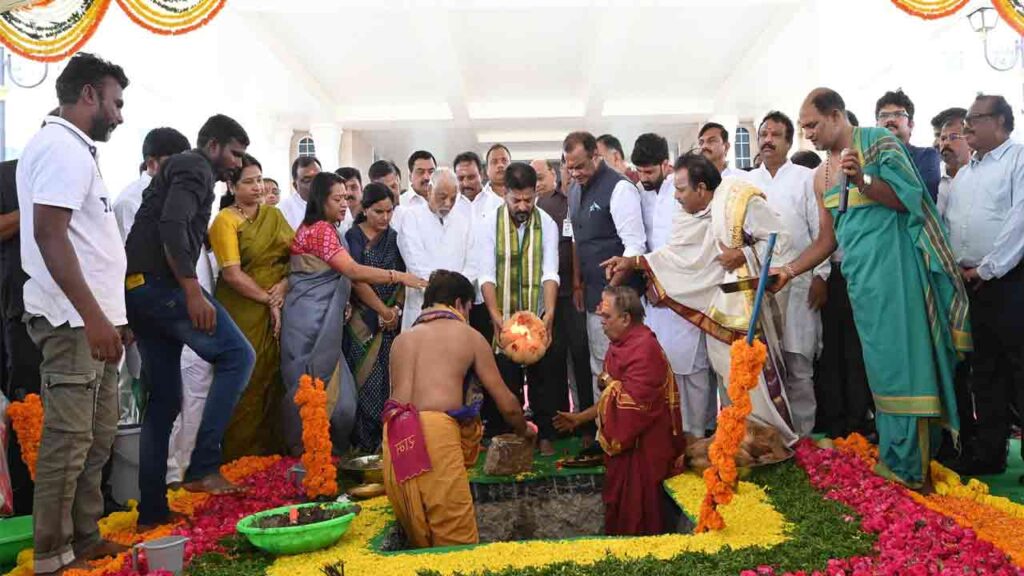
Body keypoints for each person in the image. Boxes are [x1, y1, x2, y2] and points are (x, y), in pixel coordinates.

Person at [782, 88, 969, 489]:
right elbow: (827, 240)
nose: (809, 134)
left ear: (835, 115)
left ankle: (913, 467)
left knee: (906, 364)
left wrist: (864, 179)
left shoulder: (879, 142)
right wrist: (789, 270)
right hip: (862, 282)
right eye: (804, 128)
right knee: (882, 371)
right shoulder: (820, 176)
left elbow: (912, 201)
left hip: (897, 273)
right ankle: (894, 456)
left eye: (813, 125)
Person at [17, 52, 130, 573]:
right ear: (89, 95)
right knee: (67, 442)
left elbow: (86, 240)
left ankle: (84, 538)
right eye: (115, 102)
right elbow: (49, 233)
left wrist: (111, 317)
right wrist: (94, 316)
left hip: (94, 322)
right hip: (71, 323)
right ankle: (50, 556)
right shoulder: (61, 147)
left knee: (98, 435)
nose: (120, 115)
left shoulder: (77, 150)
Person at [603, 152, 799, 447]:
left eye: (681, 189)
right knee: (728, 382)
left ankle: (774, 445)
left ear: (703, 188)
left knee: (754, 383)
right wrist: (634, 263)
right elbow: (679, 256)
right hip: (718, 311)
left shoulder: (739, 200)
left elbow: (782, 241)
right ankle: (741, 446)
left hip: (749, 310)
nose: (677, 197)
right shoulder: (686, 214)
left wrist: (744, 254)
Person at [125, 114, 255, 528]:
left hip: (139, 291)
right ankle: (203, 466)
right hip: (164, 290)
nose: (237, 164)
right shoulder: (194, 164)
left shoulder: (188, 171)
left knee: (164, 401)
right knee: (237, 355)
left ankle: (152, 512)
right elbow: (172, 224)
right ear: (213, 144)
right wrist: (192, 290)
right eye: (234, 154)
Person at [382, 270, 532, 548]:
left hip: (394, 438)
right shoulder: (468, 335)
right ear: (460, 304)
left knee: (420, 545)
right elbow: (508, 405)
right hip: (434, 436)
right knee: (456, 546)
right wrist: (525, 430)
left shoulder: (402, 341)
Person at [281, 172, 425, 455]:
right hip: (309, 325)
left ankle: (332, 460)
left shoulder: (328, 229)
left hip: (328, 323)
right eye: (337, 199)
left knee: (343, 402)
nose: (344, 204)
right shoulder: (321, 230)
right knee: (312, 395)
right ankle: (310, 462)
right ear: (321, 201)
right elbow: (352, 271)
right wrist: (399, 276)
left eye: (346, 198)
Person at [554, 286, 683, 536]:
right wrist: (579, 419)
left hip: (645, 449)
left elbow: (631, 410)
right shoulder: (620, 344)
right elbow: (611, 397)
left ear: (626, 318)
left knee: (642, 516)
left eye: (607, 318)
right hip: (626, 449)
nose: (602, 323)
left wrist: (610, 387)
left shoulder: (644, 349)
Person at [945, 94, 1024, 476]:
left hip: (1009, 281)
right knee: (984, 370)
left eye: (975, 118)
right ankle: (989, 452)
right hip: (969, 284)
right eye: (967, 119)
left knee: (1019, 368)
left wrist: (988, 268)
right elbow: (954, 224)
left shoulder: (1017, 159)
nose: (967, 126)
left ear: (1001, 121)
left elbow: (1019, 222)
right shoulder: (968, 172)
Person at [747, 111, 828, 438]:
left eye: (775, 135)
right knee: (765, 368)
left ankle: (804, 438)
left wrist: (821, 275)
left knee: (799, 363)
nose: (767, 140)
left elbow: (820, 229)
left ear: (789, 141)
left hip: (799, 281)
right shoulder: (747, 182)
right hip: (761, 287)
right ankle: (772, 441)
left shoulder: (805, 178)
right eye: (763, 134)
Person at [208, 154, 293, 461]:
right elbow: (231, 273)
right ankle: (240, 461)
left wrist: (283, 287)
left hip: (279, 305)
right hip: (241, 310)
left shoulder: (274, 216)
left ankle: (272, 459)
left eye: (259, 180)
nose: (257, 187)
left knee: (274, 380)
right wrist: (267, 299)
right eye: (248, 182)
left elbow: (296, 258)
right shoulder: (225, 221)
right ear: (231, 186)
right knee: (246, 382)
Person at [630, 134, 714, 439]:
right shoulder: (638, 192)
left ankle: (698, 433)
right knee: (664, 366)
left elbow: (685, 247)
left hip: (685, 291)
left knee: (693, 368)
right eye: (639, 171)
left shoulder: (680, 193)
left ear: (666, 164)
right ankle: (672, 434)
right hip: (654, 294)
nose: (644, 177)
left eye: (650, 171)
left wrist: (668, 285)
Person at [564, 131, 647, 426]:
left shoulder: (620, 189)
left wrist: (611, 294)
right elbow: (576, 238)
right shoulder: (574, 190)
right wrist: (577, 282)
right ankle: (606, 433)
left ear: (596, 156)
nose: (575, 173)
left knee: (624, 368)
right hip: (591, 295)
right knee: (599, 365)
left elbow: (635, 246)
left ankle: (626, 432)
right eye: (570, 167)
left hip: (620, 299)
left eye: (581, 166)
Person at [478, 162, 562, 452]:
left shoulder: (547, 224)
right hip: (502, 314)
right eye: (517, 200)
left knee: (543, 378)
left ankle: (545, 434)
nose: (523, 205)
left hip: (535, 314)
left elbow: (550, 272)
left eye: (529, 199)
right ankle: (510, 435)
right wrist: (495, 316)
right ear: (505, 194)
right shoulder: (489, 223)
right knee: (505, 379)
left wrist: (548, 313)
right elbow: (486, 275)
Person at [112, 127, 190, 430]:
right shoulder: (131, 200)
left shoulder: (175, 195)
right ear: (153, 163)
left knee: (173, 394)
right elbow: (124, 264)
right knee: (149, 393)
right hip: (143, 309)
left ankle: (171, 469)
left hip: (173, 305)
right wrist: (126, 318)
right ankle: (149, 472)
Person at [534, 157, 594, 444]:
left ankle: (586, 424)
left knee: (581, 355)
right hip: (547, 296)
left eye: (540, 176)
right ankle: (558, 425)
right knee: (552, 359)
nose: (536, 182)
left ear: (554, 175)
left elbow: (577, 243)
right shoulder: (533, 207)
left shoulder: (568, 200)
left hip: (574, 293)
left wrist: (578, 282)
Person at [343, 183, 406, 453]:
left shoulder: (395, 237)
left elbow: (405, 275)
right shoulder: (353, 237)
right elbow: (356, 278)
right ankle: (365, 444)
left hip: (392, 322)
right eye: (378, 211)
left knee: (389, 382)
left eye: (389, 211)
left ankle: (388, 446)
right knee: (365, 380)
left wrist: (396, 311)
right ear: (365, 210)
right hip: (363, 321)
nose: (385, 218)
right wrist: (381, 310)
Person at [0, 159, 41, 516]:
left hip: (70, 311)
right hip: (20, 310)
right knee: (27, 404)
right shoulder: (7, 173)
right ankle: (25, 504)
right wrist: (34, 206)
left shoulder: (81, 171)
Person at [397, 168, 476, 330]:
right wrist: (445, 296)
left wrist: (457, 294)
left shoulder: (465, 219)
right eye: (442, 197)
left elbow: (474, 262)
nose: (448, 203)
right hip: (423, 305)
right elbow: (416, 264)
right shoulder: (411, 217)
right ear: (430, 190)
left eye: (453, 198)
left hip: (457, 307)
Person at [875, 89, 941, 202]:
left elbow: (921, 199)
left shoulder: (926, 156)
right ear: (876, 125)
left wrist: (866, 183)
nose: (890, 119)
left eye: (898, 114)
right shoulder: (866, 159)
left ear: (910, 125)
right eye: (884, 115)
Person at [935, 108, 970, 218]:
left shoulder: (983, 177)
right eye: (943, 138)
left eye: (953, 137)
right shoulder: (932, 177)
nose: (946, 143)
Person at [279, 156, 322, 230]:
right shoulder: (283, 210)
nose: (315, 184)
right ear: (296, 186)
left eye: (319, 179)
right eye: (307, 181)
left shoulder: (337, 203)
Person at [336, 166, 364, 231]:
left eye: (353, 187)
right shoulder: (330, 220)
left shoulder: (372, 214)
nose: (348, 193)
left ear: (362, 188)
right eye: (344, 188)